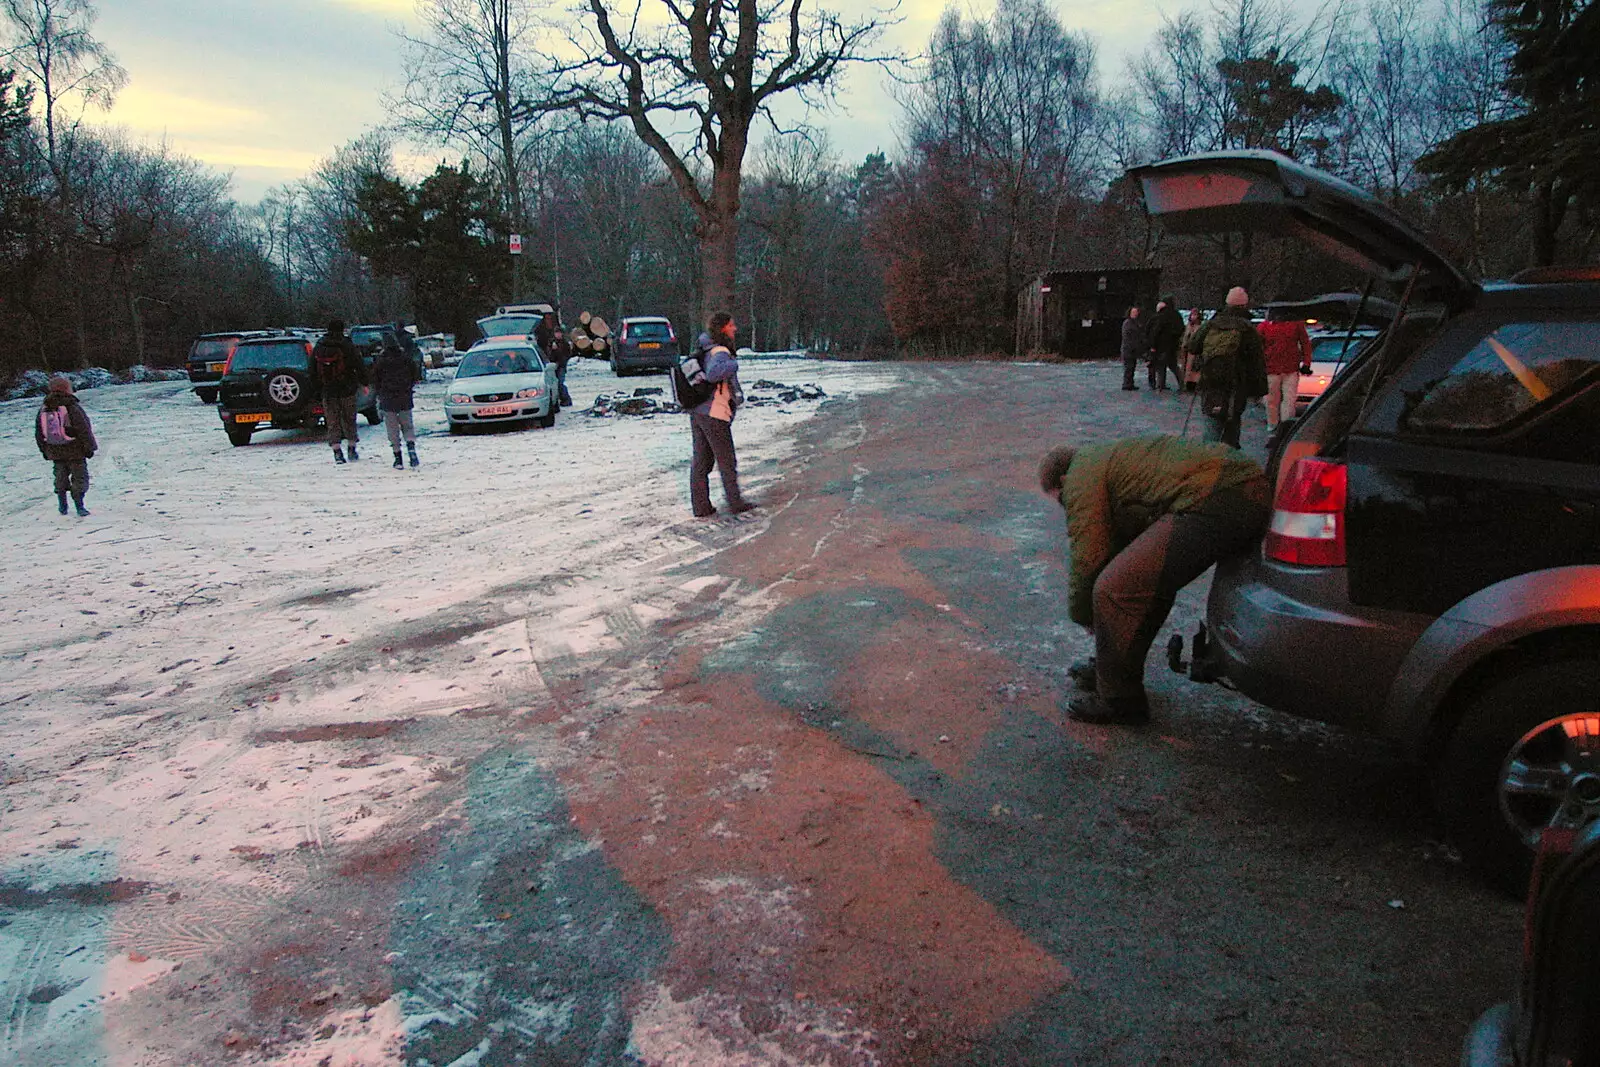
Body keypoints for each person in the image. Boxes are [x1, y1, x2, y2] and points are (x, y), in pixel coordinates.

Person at [1039, 436, 1271, 725]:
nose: (1065, 505)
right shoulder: (1105, 460)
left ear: (1063, 478)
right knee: (1142, 581)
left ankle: (1120, 700)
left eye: (1061, 498)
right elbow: (1124, 546)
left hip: (1219, 493)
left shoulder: (1081, 476)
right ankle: (1111, 673)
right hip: (1238, 487)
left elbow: (1089, 553)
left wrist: (1083, 613)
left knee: (1114, 589)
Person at [687, 311, 754, 519]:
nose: (735, 328)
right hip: (715, 412)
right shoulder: (720, 351)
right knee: (726, 459)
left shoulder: (704, 348)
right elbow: (715, 373)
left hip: (697, 409)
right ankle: (735, 502)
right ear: (723, 328)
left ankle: (701, 507)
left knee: (702, 460)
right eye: (732, 325)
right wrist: (734, 364)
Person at [1183, 287, 1267, 448]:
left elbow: (1192, 346)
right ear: (1244, 305)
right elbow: (1257, 361)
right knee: (1232, 426)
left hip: (1210, 382)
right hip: (1236, 384)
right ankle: (1227, 462)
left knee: (1211, 424)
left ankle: (1208, 460)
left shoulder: (1212, 324)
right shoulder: (1247, 328)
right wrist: (1259, 390)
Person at [36, 376, 97, 516]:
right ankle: (79, 506)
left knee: (60, 477)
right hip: (75, 450)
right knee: (79, 477)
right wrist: (89, 447)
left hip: (54, 450)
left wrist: (44, 450)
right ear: (67, 389)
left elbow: (39, 432)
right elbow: (83, 428)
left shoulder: (44, 408)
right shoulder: (71, 406)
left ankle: (62, 504)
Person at [313, 319, 368, 464]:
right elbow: (359, 363)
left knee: (332, 421)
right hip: (347, 388)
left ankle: (337, 451)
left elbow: (312, 369)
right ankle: (351, 448)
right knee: (349, 419)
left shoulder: (319, 346)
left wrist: (318, 389)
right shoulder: (346, 344)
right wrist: (364, 382)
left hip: (328, 391)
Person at [1257, 306, 1313, 433]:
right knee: (1288, 400)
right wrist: (1306, 363)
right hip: (1288, 368)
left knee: (1273, 400)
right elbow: (1305, 344)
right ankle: (1283, 427)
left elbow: (1257, 348)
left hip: (1273, 368)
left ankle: (1274, 427)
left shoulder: (1265, 326)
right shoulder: (1295, 324)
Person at [373, 337, 422, 469]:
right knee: (408, 426)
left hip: (388, 400)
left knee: (392, 430)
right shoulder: (405, 358)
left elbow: (375, 380)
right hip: (404, 398)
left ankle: (398, 458)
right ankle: (411, 450)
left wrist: (380, 393)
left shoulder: (381, 361)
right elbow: (415, 375)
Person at [1148, 296, 1184, 391]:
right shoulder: (1177, 315)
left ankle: (1161, 385)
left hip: (1162, 345)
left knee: (1161, 366)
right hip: (1173, 345)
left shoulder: (1161, 316)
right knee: (1174, 366)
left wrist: (1153, 345)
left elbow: (1156, 331)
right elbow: (1181, 328)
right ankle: (1182, 384)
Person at [1119, 305, 1146, 391]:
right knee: (1128, 367)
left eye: (1136, 312)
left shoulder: (1135, 323)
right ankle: (1127, 384)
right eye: (1133, 312)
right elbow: (1130, 337)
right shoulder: (1128, 323)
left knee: (1131, 367)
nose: (1135, 314)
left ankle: (1129, 383)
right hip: (1128, 349)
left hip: (1132, 349)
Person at [1180, 308, 1204, 391]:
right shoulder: (1188, 326)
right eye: (1192, 315)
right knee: (1187, 368)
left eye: (1195, 315)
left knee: (1194, 368)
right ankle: (1187, 383)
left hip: (1194, 351)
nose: (1193, 317)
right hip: (1187, 350)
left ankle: (1193, 383)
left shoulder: (1200, 327)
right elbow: (1185, 338)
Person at [549, 327, 574, 407]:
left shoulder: (565, 343)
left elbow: (567, 355)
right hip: (553, 366)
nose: (558, 335)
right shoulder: (551, 342)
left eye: (559, 333)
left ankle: (566, 399)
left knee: (560, 383)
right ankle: (558, 400)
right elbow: (549, 354)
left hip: (561, 366)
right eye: (557, 333)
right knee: (554, 384)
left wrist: (557, 351)